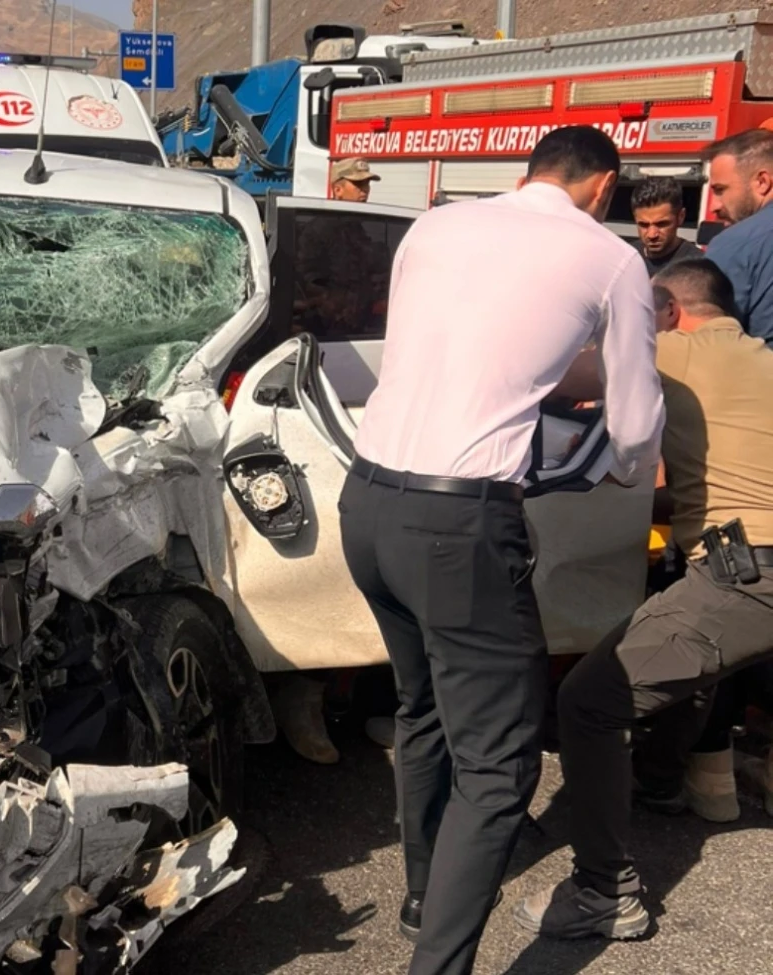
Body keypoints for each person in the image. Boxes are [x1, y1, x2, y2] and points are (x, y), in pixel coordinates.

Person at [339, 125, 664, 975]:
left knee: (421, 708)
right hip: (458, 525)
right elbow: (635, 423)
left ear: (531, 171)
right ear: (604, 186)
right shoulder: (611, 257)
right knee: (500, 764)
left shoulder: (437, 225)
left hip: (366, 501)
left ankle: (423, 894)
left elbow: (466, 357)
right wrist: (627, 468)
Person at [515, 258, 773, 940]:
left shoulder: (674, 351)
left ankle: (605, 892)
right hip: (750, 567)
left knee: (589, 702)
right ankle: (660, 780)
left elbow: (544, 378)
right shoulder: (758, 361)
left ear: (667, 311)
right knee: (687, 657)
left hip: (749, 575)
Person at [700, 129, 773, 341]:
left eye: (720, 190)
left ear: (762, 182)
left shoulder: (735, 242)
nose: (714, 206)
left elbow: (708, 339)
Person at [631, 177, 703, 273]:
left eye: (661, 224)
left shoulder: (698, 267)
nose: (652, 234)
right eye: (644, 225)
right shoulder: (627, 258)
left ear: (681, 217)